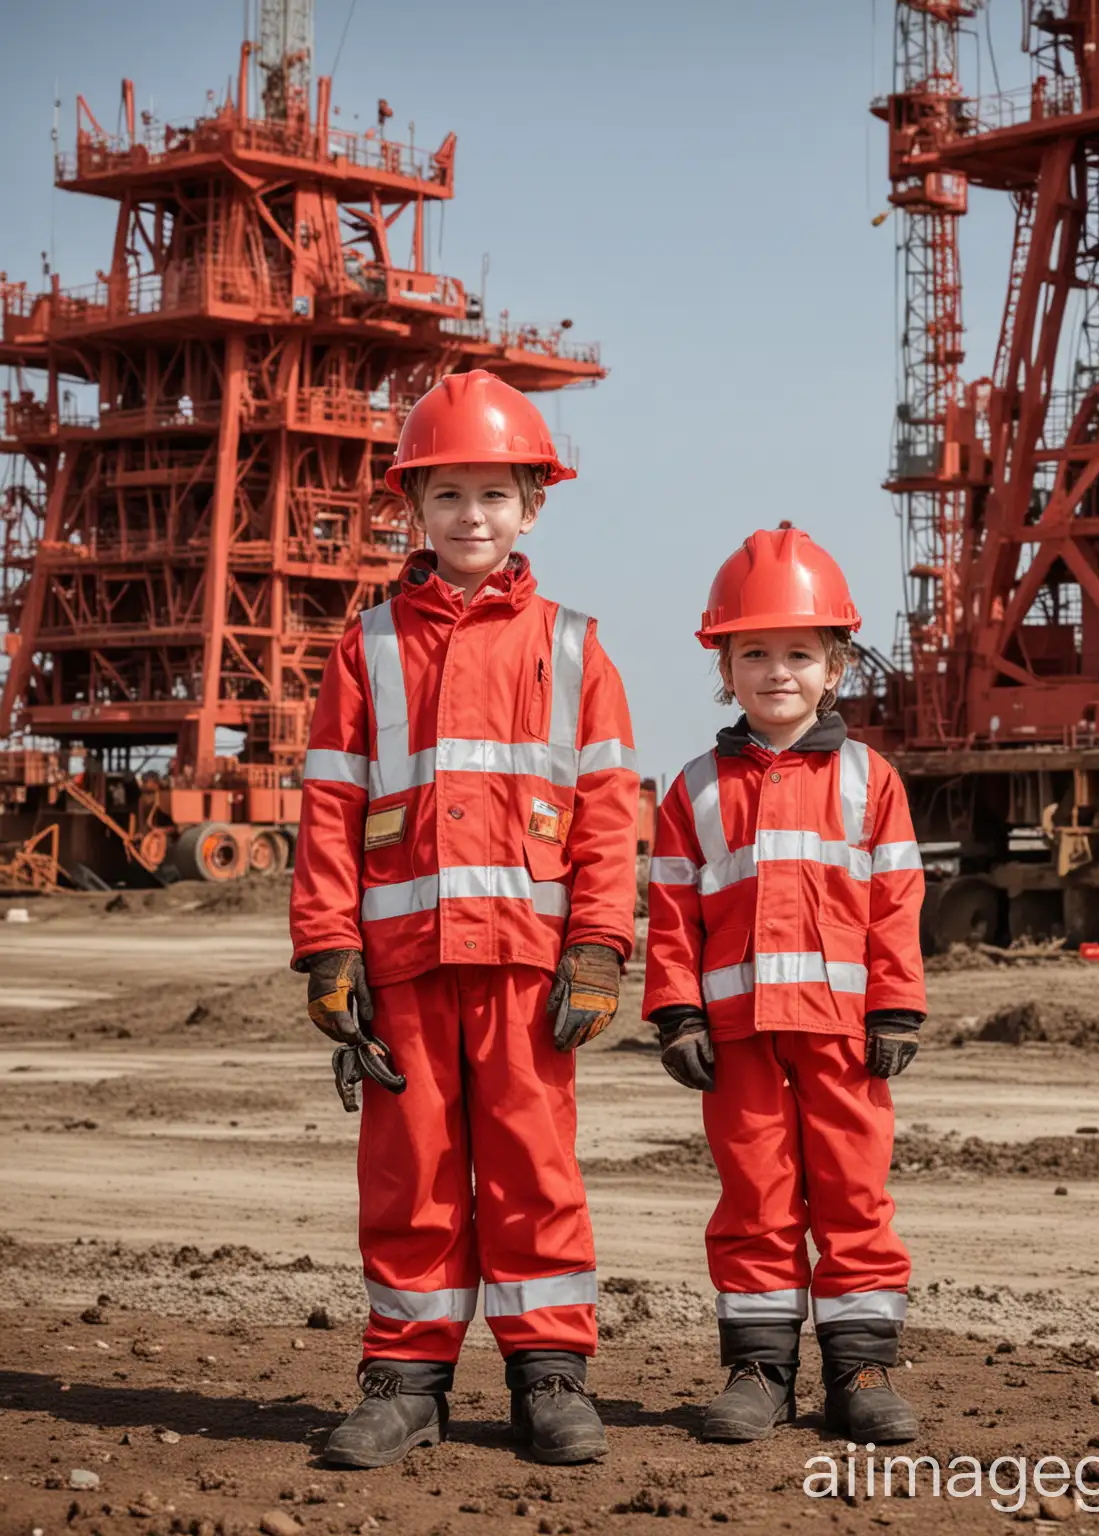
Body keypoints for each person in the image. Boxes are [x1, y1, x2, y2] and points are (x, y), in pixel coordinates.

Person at [290, 369, 639, 1469]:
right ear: (414, 509)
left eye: (493, 495)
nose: (471, 517)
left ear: (532, 506)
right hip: (401, 966)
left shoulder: (576, 648)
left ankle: (550, 1379)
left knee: (537, 1168)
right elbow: (333, 807)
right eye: (448, 497)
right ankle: (404, 1380)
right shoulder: (370, 645)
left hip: (531, 972)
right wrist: (328, 951)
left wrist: (597, 947)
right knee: (412, 1173)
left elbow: (607, 816)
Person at [642, 524, 928, 1445]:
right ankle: (759, 1371)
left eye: (799, 654)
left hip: (846, 1036)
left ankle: (862, 1370)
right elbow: (673, 911)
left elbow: (896, 902)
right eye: (754, 653)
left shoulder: (871, 780)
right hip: (737, 1039)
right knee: (756, 1198)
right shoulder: (691, 790)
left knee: (853, 1195)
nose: (777, 672)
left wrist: (897, 1003)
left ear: (836, 666)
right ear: (723, 667)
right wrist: (676, 1012)